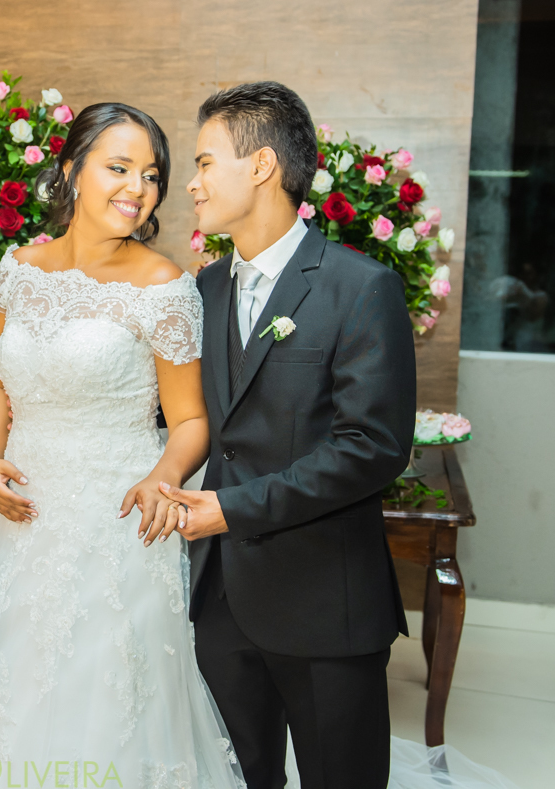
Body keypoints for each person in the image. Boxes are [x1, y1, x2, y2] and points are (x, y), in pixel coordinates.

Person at [0, 102, 246, 788]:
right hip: (24, 509)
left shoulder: (164, 287)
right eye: (118, 167)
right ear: (71, 171)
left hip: (119, 518)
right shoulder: (19, 268)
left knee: (97, 690)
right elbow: (4, 387)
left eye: (152, 174)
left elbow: (190, 421)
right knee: (5, 668)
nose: (138, 187)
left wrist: (164, 475)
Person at [160, 81, 415, 789]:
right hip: (219, 602)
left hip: (324, 606)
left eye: (207, 162)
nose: (193, 181)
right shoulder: (203, 290)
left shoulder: (359, 288)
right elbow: (198, 419)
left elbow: (373, 450)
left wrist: (232, 508)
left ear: (263, 166)